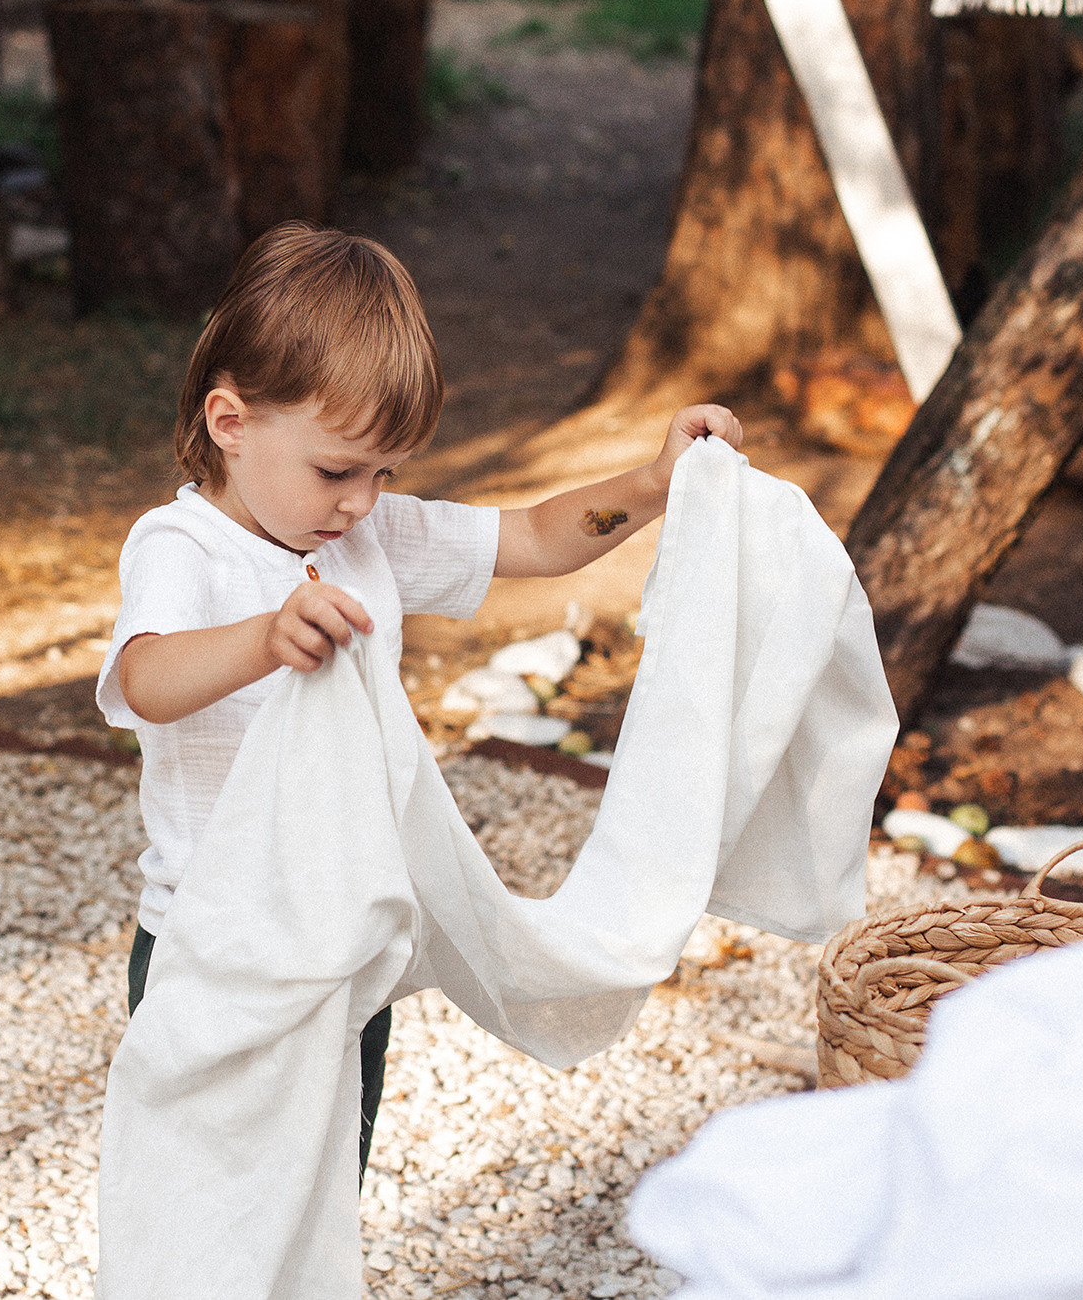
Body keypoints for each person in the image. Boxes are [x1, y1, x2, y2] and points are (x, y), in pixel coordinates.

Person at [95, 221, 741, 1180]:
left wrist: (653, 484)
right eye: (337, 470)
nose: (361, 500)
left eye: (383, 474)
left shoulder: (367, 535)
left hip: (350, 940)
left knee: (321, 1183)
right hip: (215, 946)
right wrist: (265, 637)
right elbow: (144, 678)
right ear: (231, 424)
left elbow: (532, 537)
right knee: (209, 1189)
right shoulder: (181, 547)